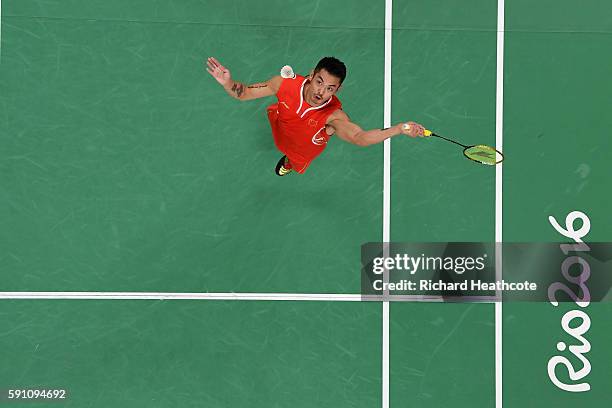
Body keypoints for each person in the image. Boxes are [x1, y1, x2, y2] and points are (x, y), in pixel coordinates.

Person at [206, 56, 425, 176]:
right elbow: (244, 93)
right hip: (281, 129)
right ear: (311, 75)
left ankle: (289, 163)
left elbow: (360, 137)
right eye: (320, 82)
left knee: (295, 160)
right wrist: (227, 82)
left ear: (336, 91)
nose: (321, 92)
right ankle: (293, 152)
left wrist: (399, 128)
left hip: (304, 148)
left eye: (330, 88)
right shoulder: (283, 84)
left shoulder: (334, 115)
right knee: (282, 139)